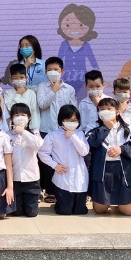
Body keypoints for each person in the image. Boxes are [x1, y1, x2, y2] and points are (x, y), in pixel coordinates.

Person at [86, 98, 131, 216]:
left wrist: (121, 149)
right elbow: (91, 143)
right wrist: (106, 127)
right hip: (102, 171)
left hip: (123, 172)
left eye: (109, 109)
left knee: (129, 212)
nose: (105, 111)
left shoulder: (128, 127)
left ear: (117, 111)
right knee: (99, 210)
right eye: (102, 109)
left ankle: (125, 201)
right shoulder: (93, 126)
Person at [36, 57, 77, 203]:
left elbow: (74, 110)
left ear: (62, 71)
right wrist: (53, 90)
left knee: (62, 159)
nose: (53, 72)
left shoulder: (69, 89)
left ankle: (61, 189)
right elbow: (42, 105)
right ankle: (49, 191)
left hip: (63, 131)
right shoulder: (42, 87)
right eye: (50, 70)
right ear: (46, 72)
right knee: (47, 162)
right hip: (46, 129)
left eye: (56, 70)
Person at [38, 105, 89, 215]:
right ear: (62, 120)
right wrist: (54, 165)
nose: (72, 122)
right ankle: (58, 203)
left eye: (75, 120)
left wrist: (73, 136)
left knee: (80, 211)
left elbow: (84, 152)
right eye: (68, 120)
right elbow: (42, 153)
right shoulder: (53, 135)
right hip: (63, 177)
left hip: (79, 178)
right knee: (64, 211)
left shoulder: (80, 134)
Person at [7, 103, 44, 217]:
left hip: (32, 179)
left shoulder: (34, 133)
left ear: (29, 118)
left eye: (23, 115)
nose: (20, 117)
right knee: (17, 213)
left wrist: (23, 131)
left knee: (31, 213)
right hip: (16, 180)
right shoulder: (7, 135)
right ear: (12, 118)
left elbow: (38, 144)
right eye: (16, 115)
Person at [4, 63, 40, 131]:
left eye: (21, 77)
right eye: (15, 78)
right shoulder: (8, 93)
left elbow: (34, 112)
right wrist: (18, 94)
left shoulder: (31, 93)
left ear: (26, 78)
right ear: (11, 78)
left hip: (29, 128)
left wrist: (35, 129)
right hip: (13, 128)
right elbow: (10, 109)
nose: (19, 80)